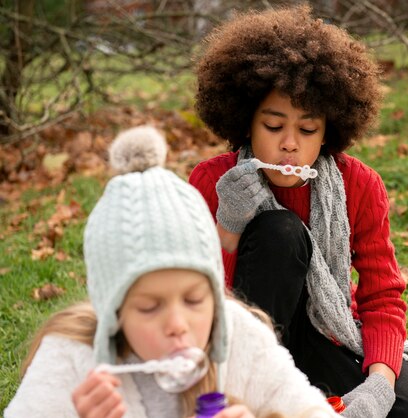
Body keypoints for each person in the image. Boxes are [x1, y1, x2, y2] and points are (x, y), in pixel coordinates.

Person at [189, 6, 408, 418]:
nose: (290, 145)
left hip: (328, 331)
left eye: (307, 129)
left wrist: (381, 386)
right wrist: (228, 230)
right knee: (280, 230)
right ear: (246, 122)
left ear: (329, 129)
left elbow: (381, 296)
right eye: (274, 126)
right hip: (243, 347)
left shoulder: (360, 184)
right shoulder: (212, 181)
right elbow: (195, 297)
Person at [4, 126, 340, 418]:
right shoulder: (72, 360)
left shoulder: (240, 337)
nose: (177, 325)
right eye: (150, 307)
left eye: (195, 300)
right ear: (112, 311)